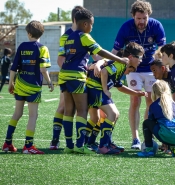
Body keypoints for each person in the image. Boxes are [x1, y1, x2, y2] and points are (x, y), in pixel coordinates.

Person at [58, 9, 129, 154]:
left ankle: (69, 145)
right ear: (85, 24)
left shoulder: (67, 37)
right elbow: (100, 51)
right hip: (77, 76)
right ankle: (80, 145)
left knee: (69, 110)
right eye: (91, 24)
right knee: (82, 110)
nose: (92, 27)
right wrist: (119, 59)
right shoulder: (85, 36)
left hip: (63, 76)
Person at [112, 0, 166, 149]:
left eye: (144, 18)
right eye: (138, 18)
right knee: (135, 100)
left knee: (151, 101)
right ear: (133, 16)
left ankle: (148, 135)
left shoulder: (156, 26)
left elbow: (161, 49)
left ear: (149, 16)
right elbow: (115, 52)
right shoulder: (126, 27)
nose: (141, 21)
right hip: (133, 69)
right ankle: (135, 138)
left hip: (150, 69)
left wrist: (160, 64)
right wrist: (107, 65)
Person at [2, 20, 54, 154]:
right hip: (33, 86)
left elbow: (14, 68)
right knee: (33, 115)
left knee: (17, 113)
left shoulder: (22, 46)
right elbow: (43, 69)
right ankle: (28, 146)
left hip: (20, 84)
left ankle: (7, 143)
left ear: (29, 33)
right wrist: (49, 82)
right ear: (41, 33)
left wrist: (11, 83)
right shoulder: (43, 48)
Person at [86, 42, 147, 154]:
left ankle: (95, 142)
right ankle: (104, 146)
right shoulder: (124, 62)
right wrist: (105, 89)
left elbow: (119, 86)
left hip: (94, 88)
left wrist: (136, 93)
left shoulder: (123, 66)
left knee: (108, 116)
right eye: (140, 57)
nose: (141, 60)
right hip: (95, 88)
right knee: (113, 114)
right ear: (130, 57)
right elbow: (104, 71)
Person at [50, 5, 84, 150]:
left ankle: (78, 142)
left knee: (77, 108)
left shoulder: (84, 34)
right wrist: (69, 72)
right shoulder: (67, 36)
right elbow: (60, 59)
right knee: (64, 106)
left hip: (79, 76)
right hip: (70, 76)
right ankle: (55, 140)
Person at [137, 80, 175, 157]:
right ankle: (174, 147)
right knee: (167, 126)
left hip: (168, 135)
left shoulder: (153, 105)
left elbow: (151, 122)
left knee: (146, 123)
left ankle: (149, 150)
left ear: (154, 92)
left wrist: (149, 138)